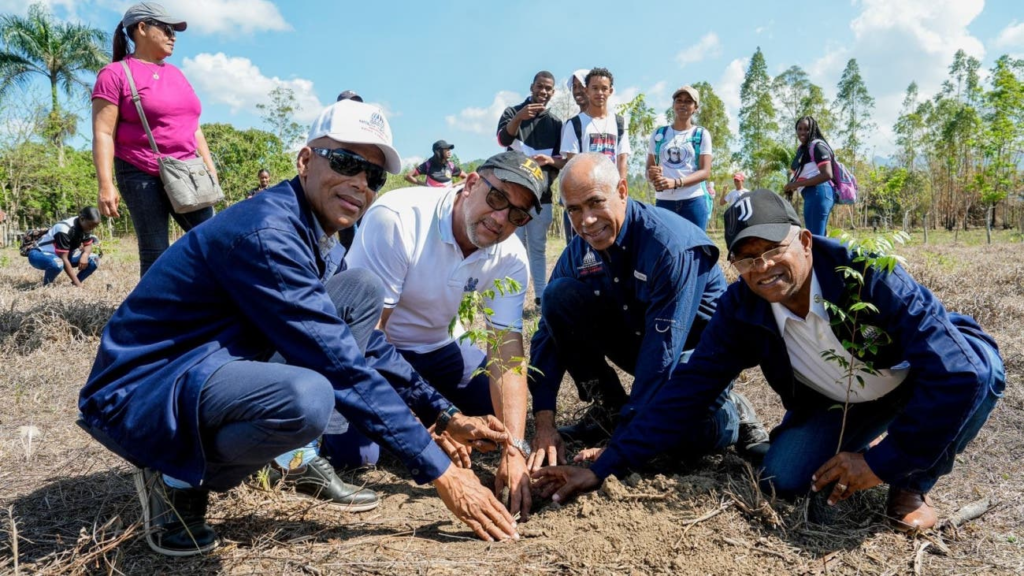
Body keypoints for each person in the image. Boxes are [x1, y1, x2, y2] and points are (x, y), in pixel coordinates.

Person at [78, 100, 519, 557]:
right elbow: (340, 364)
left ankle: (295, 456)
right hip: (146, 387)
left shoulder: (317, 231)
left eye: (373, 176)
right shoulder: (269, 233)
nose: (359, 184)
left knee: (360, 289)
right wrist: (442, 473)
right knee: (307, 397)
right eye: (346, 162)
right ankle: (172, 476)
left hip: (214, 358)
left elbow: (363, 347)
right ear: (305, 161)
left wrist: (444, 414)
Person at [535, 189, 1004, 533]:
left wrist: (882, 462)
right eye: (746, 258)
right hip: (840, 401)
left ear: (804, 240)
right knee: (783, 476)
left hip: (916, 378)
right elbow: (687, 389)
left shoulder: (864, 275)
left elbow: (959, 373)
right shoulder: (742, 308)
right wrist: (606, 465)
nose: (762, 268)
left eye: (773, 249)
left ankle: (912, 484)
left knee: (981, 373)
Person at [526, 153, 769, 471]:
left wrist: (620, 447)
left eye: (596, 202)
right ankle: (610, 408)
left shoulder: (669, 246)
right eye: (574, 209)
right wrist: (544, 422)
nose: (586, 221)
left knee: (671, 437)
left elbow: (663, 356)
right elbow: (547, 333)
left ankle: (732, 412)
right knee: (558, 296)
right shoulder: (581, 249)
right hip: (644, 340)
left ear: (623, 191)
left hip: (696, 356)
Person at [334, 150, 542, 521]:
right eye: (497, 198)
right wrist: (429, 423)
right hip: (378, 350)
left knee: (502, 418)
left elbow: (506, 354)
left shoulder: (510, 256)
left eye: (517, 215)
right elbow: (366, 341)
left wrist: (515, 449)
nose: (500, 219)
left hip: (441, 347)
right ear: (471, 183)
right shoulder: (398, 219)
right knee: (358, 456)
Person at [91, 2, 217, 277]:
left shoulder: (176, 74)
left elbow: (193, 125)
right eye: (167, 28)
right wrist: (105, 184)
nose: (173, 36)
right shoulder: (114, 74)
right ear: (142, 28)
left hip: (187, 172)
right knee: (155, 251)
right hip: (140, 172)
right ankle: (152, 318)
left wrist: (208, 166)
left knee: (216, 241)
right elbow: (103, 133)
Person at [496, 71, 564, 307]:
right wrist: (519, 118)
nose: (543, 92)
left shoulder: (556, 124)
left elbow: (561, 160)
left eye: (548, 89)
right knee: (513, 246)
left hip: (541, 197)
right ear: (532, 86)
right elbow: (503, 140)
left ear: (552, 92)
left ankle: (540, 298)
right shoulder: (512, 112)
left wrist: (550, 163)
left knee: (538, 247)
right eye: (540, 87)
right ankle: (510, 297)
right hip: (512, 196)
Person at [646, 86, 713, 229]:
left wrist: (676, 182)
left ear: (695, 107)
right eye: (679, 100)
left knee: (697, 248)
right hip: (665, 202)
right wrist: (651, 174)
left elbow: (705, 172)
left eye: (688, 101)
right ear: (673, 105)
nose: (683, 104)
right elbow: (648, 169)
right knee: (666, 248)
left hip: (693, 201)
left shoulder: (701, 134)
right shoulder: (659, 134)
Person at [560, 68, 631, 181]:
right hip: (586, 189)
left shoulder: (619, 123)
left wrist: (621, 189)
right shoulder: (574, 124)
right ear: (587, 91)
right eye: (595, 88)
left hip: (612, 189)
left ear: (610, 91)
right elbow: (573, 165)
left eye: (604, 88)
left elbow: (622, 159)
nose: (600, 93)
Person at [783, 116, 835, 236]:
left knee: (815, 239)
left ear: (813, 130)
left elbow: (827, 174)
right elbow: (806, 173)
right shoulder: (802, 149)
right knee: (819, 238)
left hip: (818, 192)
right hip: (812, 194)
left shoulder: (817, 146)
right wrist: (791, 186)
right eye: (799, 129)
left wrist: (796, 184)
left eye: (806, 129)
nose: (802, 132)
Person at [27, 207, 101, 287]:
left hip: (62, 255)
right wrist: (78, 285)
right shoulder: (64, 229)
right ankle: (47, 286)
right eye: (90, 226)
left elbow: (88, 244)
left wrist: (85, 255)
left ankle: (74, 285)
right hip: (39, 254)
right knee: (57, 263)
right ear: (82, 218)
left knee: (94, 259)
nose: (92, 228)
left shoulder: (86, 225)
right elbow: (63, 258)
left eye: (95, 226)